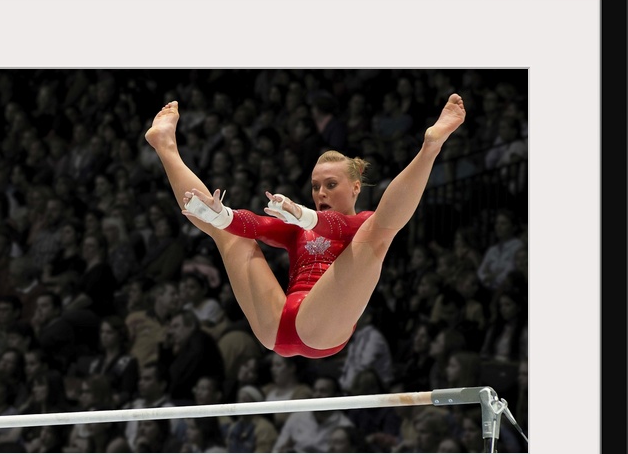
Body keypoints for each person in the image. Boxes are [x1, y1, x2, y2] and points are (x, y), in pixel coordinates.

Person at [144, 95, 465, 360]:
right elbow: (260, 225)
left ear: (355, 187)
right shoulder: (300, 227)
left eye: (331, 184)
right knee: (230, 235)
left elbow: (342, 227)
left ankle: (430, 148)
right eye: (315, 186)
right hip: (275, 324)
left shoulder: (360, 225)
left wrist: (307, 217)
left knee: (376, 232)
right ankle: (165, 147)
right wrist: (223, 216)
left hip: (321, 330)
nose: (321, 192)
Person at [272, 375, 354, 453]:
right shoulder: (297, 417)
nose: (317, 395)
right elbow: (277, 450)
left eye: (323, 391)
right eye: (315, 391)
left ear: (336, 396)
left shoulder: (345, 426)